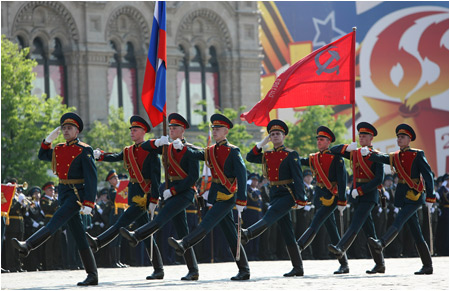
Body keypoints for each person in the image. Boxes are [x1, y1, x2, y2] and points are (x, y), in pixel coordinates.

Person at [12, 112, 98, 285]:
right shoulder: (59, 148)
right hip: (64, 193)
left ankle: (28, 245)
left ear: (77, 131)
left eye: (70, 128)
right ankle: (93, 275)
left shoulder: (84, 149)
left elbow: (91, 178)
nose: (66, 131)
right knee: (80, 235)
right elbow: (42, 155)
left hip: (76, 196)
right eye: (64, 128)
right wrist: (47, 141)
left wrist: (89, 202)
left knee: (55, 221)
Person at [167, 113, 250, 280]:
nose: (215, 131)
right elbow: (195, 154)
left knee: (207, 222)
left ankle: (185, 243)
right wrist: (181, 146)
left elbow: (242, 175)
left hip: (228, 196)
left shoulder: (233, 151)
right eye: (213, 128)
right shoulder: (211, 150)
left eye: (218, 129)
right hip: (217, 195)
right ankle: (244, 269)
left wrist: (242, 198)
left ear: (226, 131)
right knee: (231, 235)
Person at [120, 113, 201, 281]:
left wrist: (173, 191)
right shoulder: (166, 148)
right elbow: (143, 147)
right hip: (170, 193)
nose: (171, 130)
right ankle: (193, 270)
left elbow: (193, 177)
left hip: (184, 193)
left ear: (183, 130)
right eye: (170, 128)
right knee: (182, 232)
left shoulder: (191, 148)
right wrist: (158, 141)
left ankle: (137, 235)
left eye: (175, 128)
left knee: (161, 219)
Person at [87, 115, 163, 280]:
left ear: (143, 132)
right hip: (134, 195)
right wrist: (99, 155)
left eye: (135, 130)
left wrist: (154, 199)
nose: (132, 132)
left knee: (122, 221)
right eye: (131, 130)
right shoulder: (129, 150)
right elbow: (115, 156)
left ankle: (99, 241)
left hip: (144, 197)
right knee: (146, 235)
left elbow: (156, 178)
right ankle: (158, 269)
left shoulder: (151, 150)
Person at [363, 123, 435, 274]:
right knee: (416, 232)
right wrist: (368, 154)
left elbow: (428, 175)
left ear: (409, 139)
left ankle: (382, 243)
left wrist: (430, 196)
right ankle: (427, 265)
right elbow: (382, 158)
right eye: (398, 137)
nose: (399, 139)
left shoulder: (417, 154)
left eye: (402, 137)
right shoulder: (396, 156)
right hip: (403, 197)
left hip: (415, 196)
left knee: (400, 219)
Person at [243, 119, 307, 276]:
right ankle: (298, 267)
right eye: (272, 134)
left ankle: (248, 234)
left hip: (288, 194)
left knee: (270, 216)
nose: (275, 136)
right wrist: (261, 143)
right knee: (287, 231)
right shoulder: (268, 154)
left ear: (283, 136)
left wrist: (301, 198)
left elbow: (298, 178)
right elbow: (250, 157)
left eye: (278, 133)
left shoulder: (291, 154)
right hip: (274, 194)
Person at [327, 122, 385, 273]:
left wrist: (360, 190)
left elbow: (379, 179)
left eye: (364, 136)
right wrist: (347, 148)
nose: (361, 138)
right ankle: (380, 264)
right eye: (360, 135)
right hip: (356, 195)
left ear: (371, 138)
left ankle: (341, 247)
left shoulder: (376, 155)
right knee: (370, 232)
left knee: (355, 223)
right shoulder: (355, 153)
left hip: (368, 195)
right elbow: (333, 150)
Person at [296, 126, 349, 274]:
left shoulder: (336, 157)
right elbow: (302, 161)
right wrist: (291, 157)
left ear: (329, 141)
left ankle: (299, 245)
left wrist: (342, 200)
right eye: (318, 139)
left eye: (322, 139)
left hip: (332, 197)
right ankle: (344, 263)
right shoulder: (314, 158)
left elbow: (342, 180)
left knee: (317, 220)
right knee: (332, 230)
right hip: (320, 196)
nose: (319, 142)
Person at [104, 169, 127, 268]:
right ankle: (113, 261)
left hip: (121, 213)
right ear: (110, 181)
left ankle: (118, 260)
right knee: (113, 239)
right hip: (115, 215)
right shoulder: (112, 190)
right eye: (114, 178)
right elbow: (116, 197)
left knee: (119, 239)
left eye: (116, 177)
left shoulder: (119, 189)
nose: (116, 179)